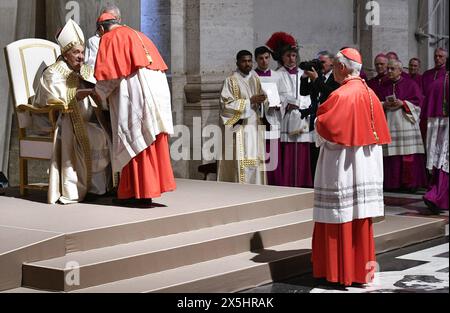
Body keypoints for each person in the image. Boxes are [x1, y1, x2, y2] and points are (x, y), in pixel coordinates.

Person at [312, 48, 391, 286]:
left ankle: (338, 272)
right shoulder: (370, 93)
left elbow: (325, 126)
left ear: (344, 68)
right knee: (359, 217)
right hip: (364, 168)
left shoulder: (342, 95)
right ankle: (358, 272)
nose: (333, 69)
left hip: (343, 168)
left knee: (342, 215)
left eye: (335, 65)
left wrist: (317, 121)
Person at [92, 13, 176, 205]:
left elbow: (109, 76)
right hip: (157, 90)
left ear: (102, 28)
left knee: (135, 136)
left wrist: (97, 92)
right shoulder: (139, 34)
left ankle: (136, 192)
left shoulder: (110, 38)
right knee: (150, 137)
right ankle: (147, 190)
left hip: (136, 91)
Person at [32, 19, 112, 204]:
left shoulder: (86, 70)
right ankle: (78, 188)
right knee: (94, 135)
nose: (81, 56)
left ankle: (99, 188)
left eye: (83, 52)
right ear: (65, 54)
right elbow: (54, 98)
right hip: (61, 121)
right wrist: (78, 94)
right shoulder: (53, 72)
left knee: (106, 132)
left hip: (88, 120)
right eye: (76, 52)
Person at [266, 32, 313, 188]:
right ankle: (287, 185)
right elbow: (273, 99)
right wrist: (286, 104)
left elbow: (310, 96)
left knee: (302, 154)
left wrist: (302, 105)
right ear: (281, 57)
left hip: (302, 119)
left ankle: (303, 185)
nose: (291, 59)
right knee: (288, 154)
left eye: (294, 55)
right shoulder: (276, 75)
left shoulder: (304, 74)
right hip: (285, 120)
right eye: (288, 56)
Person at [217, 50, 267, 185]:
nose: (247, 64)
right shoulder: (230, 81)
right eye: (244, 61)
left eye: (250, 61)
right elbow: (225, 105)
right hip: (239, 128)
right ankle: (240, 190)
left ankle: (256, 188)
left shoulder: (255, 79)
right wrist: (250, 101)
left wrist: (263, 101)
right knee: (240, 160)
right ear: (237, 62)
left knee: (254, 158)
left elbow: (262, 101)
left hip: (254, 127)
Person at [379, 60, 427, 191]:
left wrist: (403, 103)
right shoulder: (384, 85)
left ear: (400, 70)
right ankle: (392, 183)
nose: (389, 71)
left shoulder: (410, 84)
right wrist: (384, 104)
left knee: (407, 155)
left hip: (406, 123)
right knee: (391, 156)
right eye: (388, 68)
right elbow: (376, 102)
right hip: (390, 123)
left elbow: (419, 103)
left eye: (392, 69)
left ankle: (409, 184)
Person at [303, 50, 340, 179]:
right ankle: (316, 182)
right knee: (314, 153)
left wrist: (317, 80)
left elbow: (332, 94)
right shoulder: (317, 76)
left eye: (323, 62)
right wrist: (304, 77)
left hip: (330, 120)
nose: (320, 65)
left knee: (326, 154)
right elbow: (304, 92)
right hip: (315, 120)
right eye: (318, 62)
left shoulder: (336, 76)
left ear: (332, 63)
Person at [421, 59, 449, 214]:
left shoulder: (436, 83)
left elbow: (427, 110)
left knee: (440, 161)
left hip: (437, 129)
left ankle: (436, 194)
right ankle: (436, 196)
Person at [253, 46, 282, 186]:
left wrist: (279, 103)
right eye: (260, 58)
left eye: (266, 57)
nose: (264, 61)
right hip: (258, 117)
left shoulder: (277, 76)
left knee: (273, 150)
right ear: (256, 60)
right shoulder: (253, 76)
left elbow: (283, 94)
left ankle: (275, 181)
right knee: (260, 149)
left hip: (273, 116)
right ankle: (261, 181)